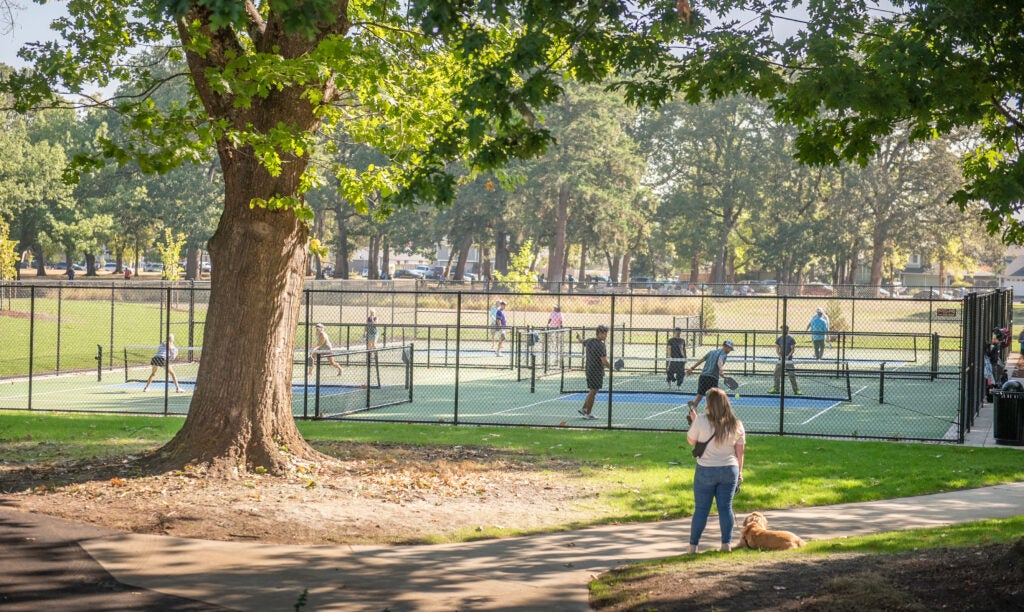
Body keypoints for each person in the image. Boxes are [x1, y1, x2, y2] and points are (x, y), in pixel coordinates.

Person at [685, 388, 745, 553]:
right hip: (729, 469)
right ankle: (726, 545)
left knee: (702, 509)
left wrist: (694, 421)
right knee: (726, 508)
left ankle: (693, 547)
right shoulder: (736, 424)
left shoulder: (702, 421)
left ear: (709, 404)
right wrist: (740, 472)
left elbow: (691, 441)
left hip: (706, 469)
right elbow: (740, 453)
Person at [685, 339, 735, 410]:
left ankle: (694, 405)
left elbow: (702, 360)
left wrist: (692, 368)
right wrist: (721, 370)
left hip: (703, 376)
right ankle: (710, 410)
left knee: (700, 394)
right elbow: (720, 361)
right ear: (726, 346)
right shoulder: (724, 354)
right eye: (730, 348)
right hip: (712, 377)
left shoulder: (712, 352)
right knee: (715, 396)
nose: (730, 351)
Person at [578, 325, 611, 420]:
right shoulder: (601, 345)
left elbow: (581, 341)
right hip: (596, 371)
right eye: (604, 334)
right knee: (593, 392)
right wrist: (611, 368)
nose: (605, 335)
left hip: (589, 370)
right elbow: (604, 361)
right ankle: (588, 414)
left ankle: (584, 409)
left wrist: (578, 337)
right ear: (599, 334)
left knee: (593, 390)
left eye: (606, 334)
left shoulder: (589, 341)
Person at [769, 325, 801, 395]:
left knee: (791, 375)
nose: (783, 330)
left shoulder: (791, 339)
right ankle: (776, 389)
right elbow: (777, 350)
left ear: (787, 330)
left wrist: (787, 356)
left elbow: (792, 349)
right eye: (782, 329)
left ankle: (796, 390)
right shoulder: (779, 339)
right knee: (776, 373)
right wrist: (781, 357)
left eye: (785, 329)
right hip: (780, 360)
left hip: (788, 360)